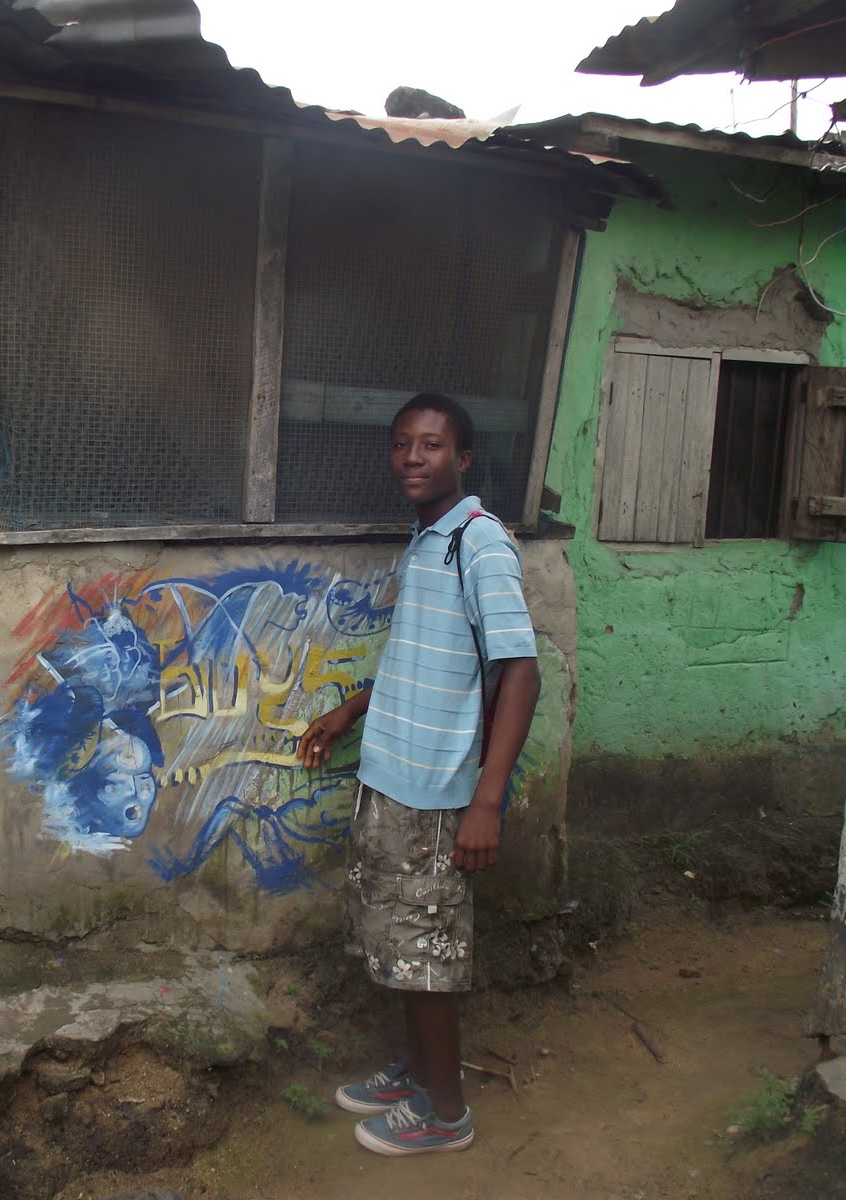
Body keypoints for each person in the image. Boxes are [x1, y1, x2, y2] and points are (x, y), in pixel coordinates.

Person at [298, 392, 542, 1156]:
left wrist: (486, 803)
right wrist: (353, 711)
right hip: (391, 780)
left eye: (431, 445)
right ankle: (416, 1070)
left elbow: (520, 671)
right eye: (402, 443)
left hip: (438, 797)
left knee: (427, 955)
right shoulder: (427, 540)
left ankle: (446, 1114)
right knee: (402, 945)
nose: (412, 456)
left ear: (462, 460)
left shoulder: (478, 543)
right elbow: (424, 657)